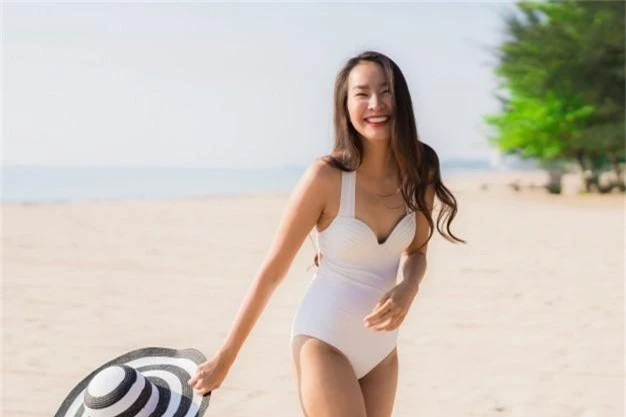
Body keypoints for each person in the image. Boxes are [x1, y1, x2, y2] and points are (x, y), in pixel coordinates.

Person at [187, 50, 464, 416]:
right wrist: (226, 356)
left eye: (386, 91)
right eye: (362, 94)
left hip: (382, 350)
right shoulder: (325, 177)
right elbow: (272, 271)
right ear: (345, 106)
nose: (376, 104)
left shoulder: (421, 167)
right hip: (324, 340)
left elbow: (418, 252)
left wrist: (408, 287)